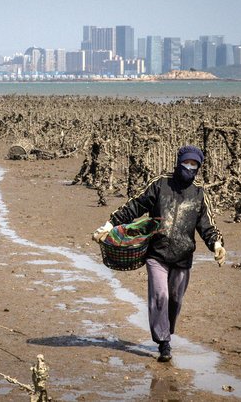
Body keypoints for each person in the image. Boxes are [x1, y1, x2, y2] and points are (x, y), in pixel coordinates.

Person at [92, 145, 226, 362]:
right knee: (160, 295)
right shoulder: (161, 184)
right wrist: (109, 225)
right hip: (157, 253)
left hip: (183, 256)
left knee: (175, 299)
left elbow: (207, 225)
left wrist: (217, 245)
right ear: (178, 162)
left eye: (194, 165)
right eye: (186, 163)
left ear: (199, 167)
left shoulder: (199, 192)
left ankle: (167, 331)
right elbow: (136, 205)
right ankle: (164, 342)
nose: (189, 168)